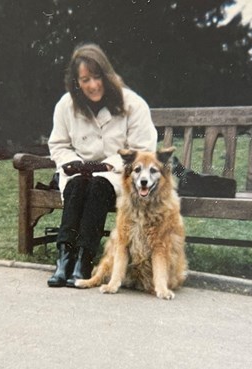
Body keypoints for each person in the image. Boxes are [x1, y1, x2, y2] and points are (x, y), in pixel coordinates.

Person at [47, 43, 157, 288]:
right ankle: (64, 260)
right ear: (76, 82)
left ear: (106, 76)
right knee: (78, 184)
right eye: (85, 80)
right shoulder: (66, 105)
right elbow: (59, 145)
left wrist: (108, 166)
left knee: (97, 185)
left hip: (119, 174)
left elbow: (143, 149)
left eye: (97, 77)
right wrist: (73, 165)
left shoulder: (133, 104)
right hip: (78, 171)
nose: (93, 85)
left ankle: (84, 261)